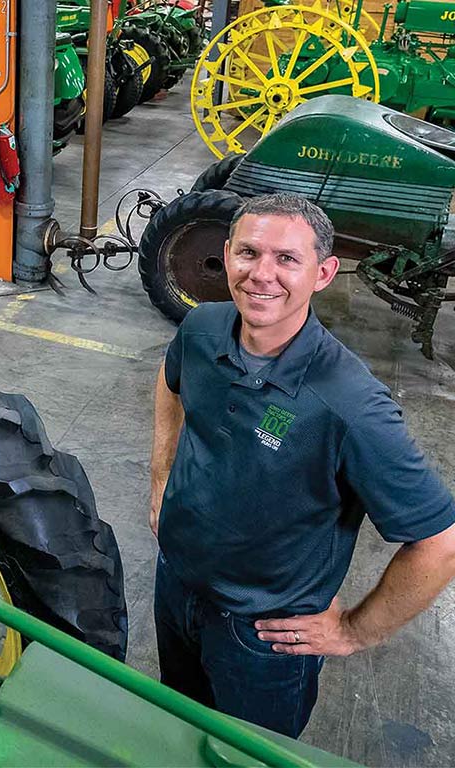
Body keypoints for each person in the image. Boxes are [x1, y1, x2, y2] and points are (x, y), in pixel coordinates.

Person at [149, 192, 455, 738]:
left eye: (287, 259)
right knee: (180, 728)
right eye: (248, 253)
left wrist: (353, 632)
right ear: (227, 253)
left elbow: (438, 542)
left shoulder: (351, 405)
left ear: (324, 273)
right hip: (176, 584)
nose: (261, 274)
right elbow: (170, 386)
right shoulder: (202, 330)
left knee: (248, 753)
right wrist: (161, 481)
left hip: (262, 636)